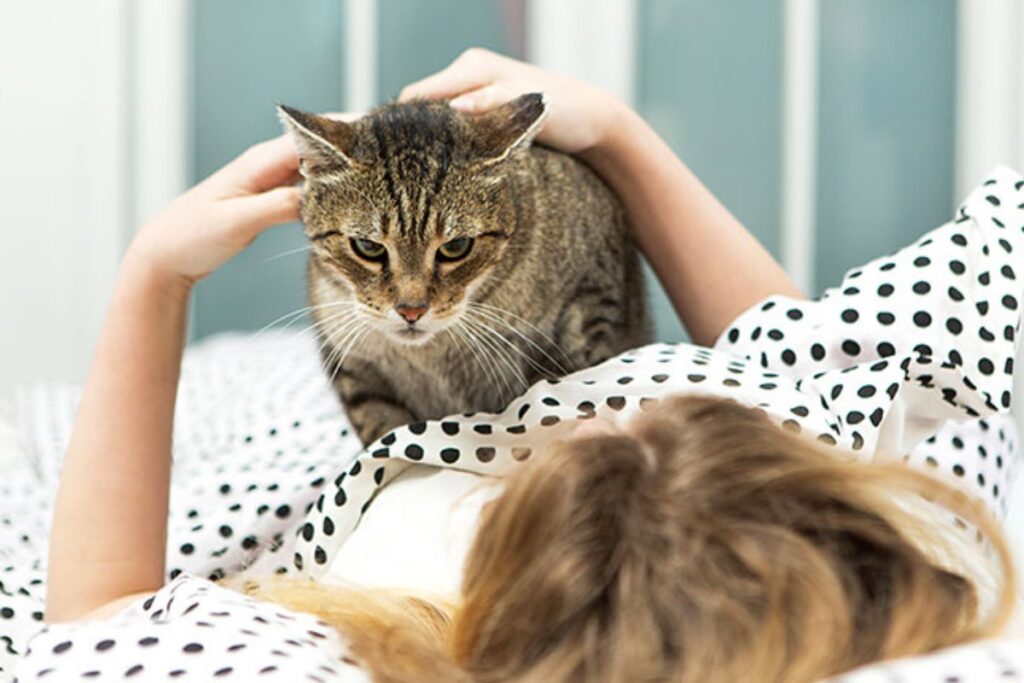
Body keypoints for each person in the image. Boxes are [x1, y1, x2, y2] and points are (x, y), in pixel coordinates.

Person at [3, 49, 1022, 682]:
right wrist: (618, 132)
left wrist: (153, 277)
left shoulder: (385, 615)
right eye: (676, 410)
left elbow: (96, 617)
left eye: (608, 432)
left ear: (503, 568)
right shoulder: (908, 510)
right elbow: (799, 352)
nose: (599, 406)